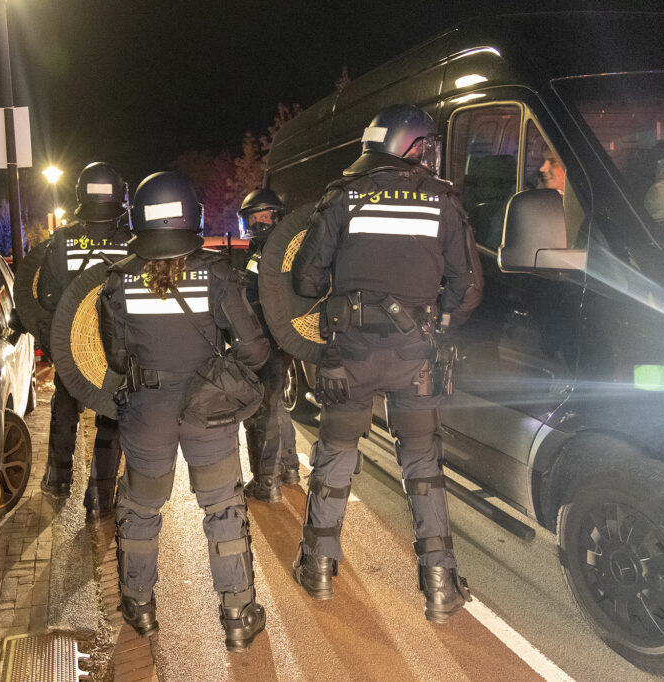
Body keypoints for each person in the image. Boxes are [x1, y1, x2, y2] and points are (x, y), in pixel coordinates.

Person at [290, 104, 481, 623]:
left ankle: (319, 569)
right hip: (413, 357)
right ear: (414, 146)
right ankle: (441, 587)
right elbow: (468, 287)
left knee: (336, 457)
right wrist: (437, 327)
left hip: (347, 356)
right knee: (422, 465)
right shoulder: (444, 202)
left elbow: (305, 281)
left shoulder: (342, 198)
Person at [98, 171, 270, 651]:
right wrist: (216, 378)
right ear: (191, 216)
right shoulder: (218, 274)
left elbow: (115, 359)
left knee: (140, 509)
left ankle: (139, 606)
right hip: (207, 413)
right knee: (222, 509)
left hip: (147, 413)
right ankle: (237, 615)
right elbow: (255, 351)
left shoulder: (118, 282)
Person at [36, 162, 131, 518]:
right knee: (111, 415)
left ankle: (58, 478)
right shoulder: (130, 244)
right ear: (119, 197)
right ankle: (99, 496)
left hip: (71, 345)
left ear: (80, 195)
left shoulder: (63, 240)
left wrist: (55, 343)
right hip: (114, 348)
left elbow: (46, 299)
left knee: (64, 407)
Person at [236, 188, 301, 503]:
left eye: (265, 217)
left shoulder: (276, 253)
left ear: (277, 217)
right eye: (254, 219)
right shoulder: (271, 250)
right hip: (280, 341)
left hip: (268, 340)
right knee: (276, 407)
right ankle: (289, 469)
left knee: (260, 412)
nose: (259, 225)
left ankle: (266, 482)